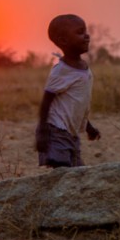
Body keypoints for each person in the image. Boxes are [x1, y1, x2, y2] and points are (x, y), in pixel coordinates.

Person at [35, 14, 101, 168]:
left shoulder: (83, 67)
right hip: (55, 130)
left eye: (85, 31)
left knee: (76, 171)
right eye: (80, 33)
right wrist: (43, 132)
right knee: (63, 170)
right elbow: (46, 101)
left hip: (71, 132)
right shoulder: (62, 71)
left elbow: (76, 103)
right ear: (63, 41)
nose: (87, 36)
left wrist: (88, 127)